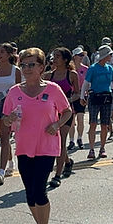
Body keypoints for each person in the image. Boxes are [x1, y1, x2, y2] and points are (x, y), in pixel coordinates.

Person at [3, 47, 73, 224]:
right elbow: (6, 119)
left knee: (40, 191)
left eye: (32, 64)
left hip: (47, 146)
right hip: (24, 146)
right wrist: (10, 119)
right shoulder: (15, 91)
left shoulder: (52, 89)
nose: (27, 68)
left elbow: (67, 111)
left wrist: (57, 125)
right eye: (23, 65)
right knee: (30, 194)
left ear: (42, 67)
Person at [45, 46, 79, 187]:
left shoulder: (72, 75)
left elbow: (77, 93)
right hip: (52, 113)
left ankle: (57, 175)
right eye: (54, 56)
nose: (55, 58)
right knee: (55, 142)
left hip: (66, 112)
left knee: (61, 141)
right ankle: (68, 162)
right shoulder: (48, 76)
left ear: (65, 59)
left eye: (58, 56)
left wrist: (67, 101)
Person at [0, 43, 21, 184]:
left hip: (10, 105)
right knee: (2, 136)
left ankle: (1, 171)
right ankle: (10, 162)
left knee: (5, 137)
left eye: (2, 52)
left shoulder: (16, 70)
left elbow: (19, 89)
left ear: (9, 55)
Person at [82, 45, 113, 159]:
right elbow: (86, 83)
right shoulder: (93, 68)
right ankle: (91, 149)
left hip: (106, 96)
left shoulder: (109, 68)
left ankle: (102, 148)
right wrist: (83, 96)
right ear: (105, 56)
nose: (111, 56)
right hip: (95, 97)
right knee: (93, 123)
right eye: (110, 54)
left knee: (104, 124)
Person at [70, 47, 89, 150]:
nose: (82, 57)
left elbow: (88, 83)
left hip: (82, 95)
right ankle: (72, 140)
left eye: (83, 55)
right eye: (80, 55)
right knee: (72, 120)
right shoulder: (70, 69)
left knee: (80, 119)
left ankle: (80, 138)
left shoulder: (85, 69)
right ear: (74, 57)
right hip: (72, 96)